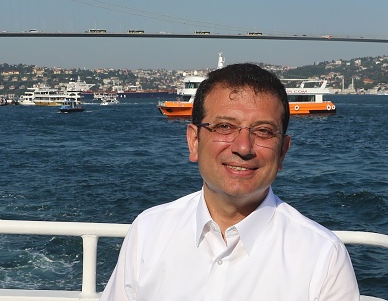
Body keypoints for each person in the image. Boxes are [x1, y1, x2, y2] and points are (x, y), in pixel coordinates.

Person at [100, 63, 359, 300]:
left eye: (263, 131)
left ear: (282, 151)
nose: (243, 147)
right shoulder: (147, 232)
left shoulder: (323, 258)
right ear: (194, 141)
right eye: (224, 127)